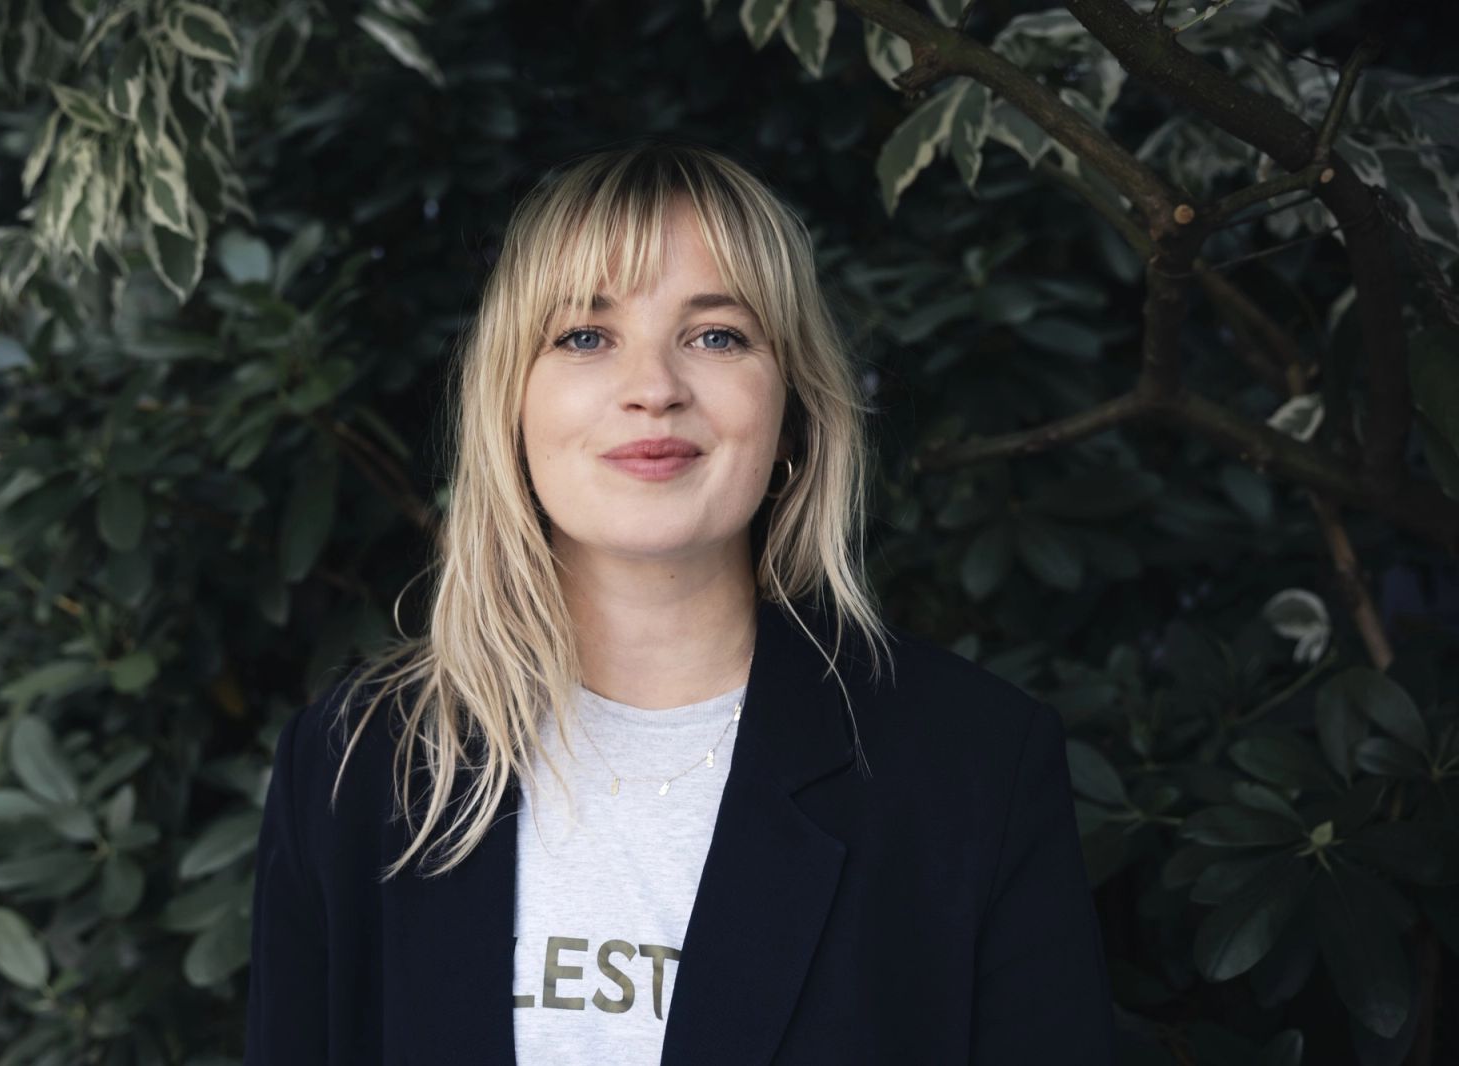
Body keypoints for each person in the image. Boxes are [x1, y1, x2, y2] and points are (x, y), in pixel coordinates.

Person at [243, 140, 1117, 1065]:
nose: (654, 390)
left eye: (717, 336)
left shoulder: (973, 767)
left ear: (791, 409)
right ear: (511, 404)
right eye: (586, 337)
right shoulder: (353, 764)